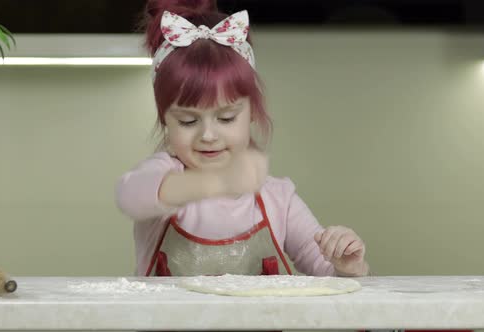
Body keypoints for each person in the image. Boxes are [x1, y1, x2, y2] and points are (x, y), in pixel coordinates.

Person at [116, 0, 370, 278]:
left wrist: (345, 263)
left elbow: (326, 274)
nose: (208, 135)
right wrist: (216, 182)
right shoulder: (163, 176)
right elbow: (131, 195)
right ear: (166, 120)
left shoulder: (278, 199)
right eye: (188, 121)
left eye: (226, 118)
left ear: (251, 112)